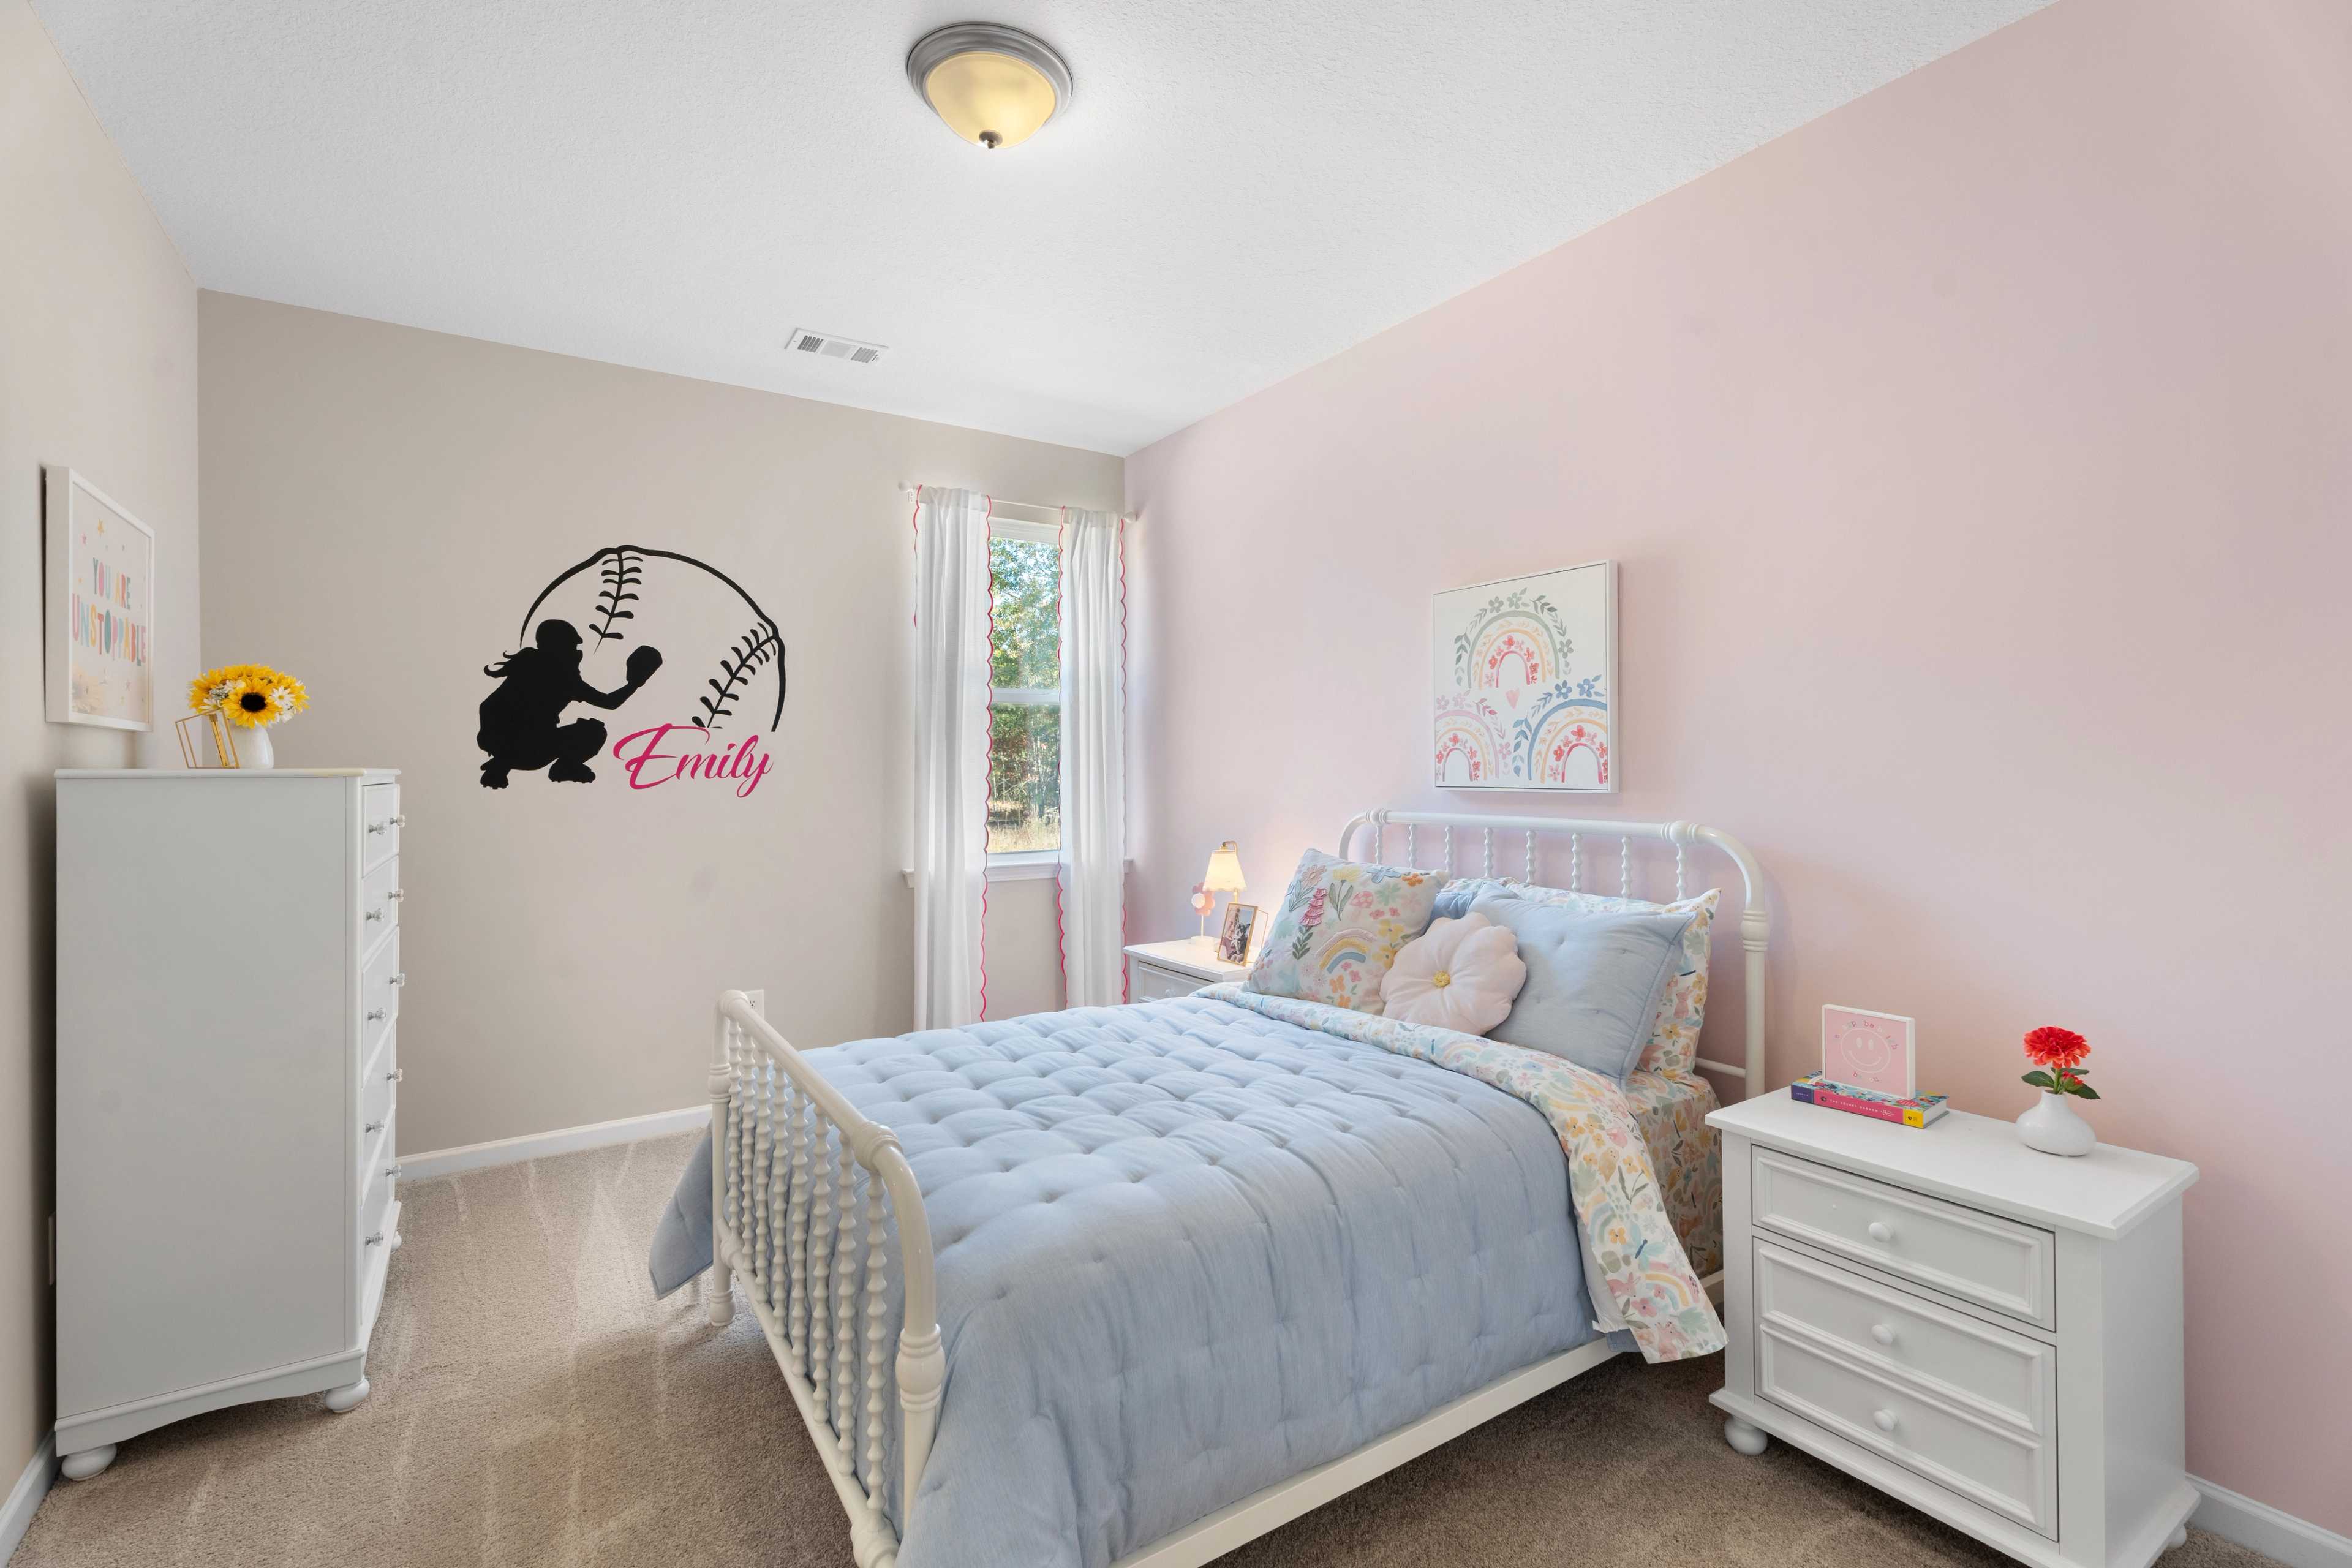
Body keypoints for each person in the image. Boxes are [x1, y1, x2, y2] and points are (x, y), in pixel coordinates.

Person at [477, 620, 663, 787]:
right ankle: (560, 766)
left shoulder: (549, 672)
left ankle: (516, 764)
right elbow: (609, 702)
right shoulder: (555, 674)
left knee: (592, 730)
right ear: (559, 646)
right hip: (528, 748)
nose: (576, 651)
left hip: (524, 747)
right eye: (572, 646)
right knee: (593, 732)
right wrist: (634, 684)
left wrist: (634, 683)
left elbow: (609, 702)